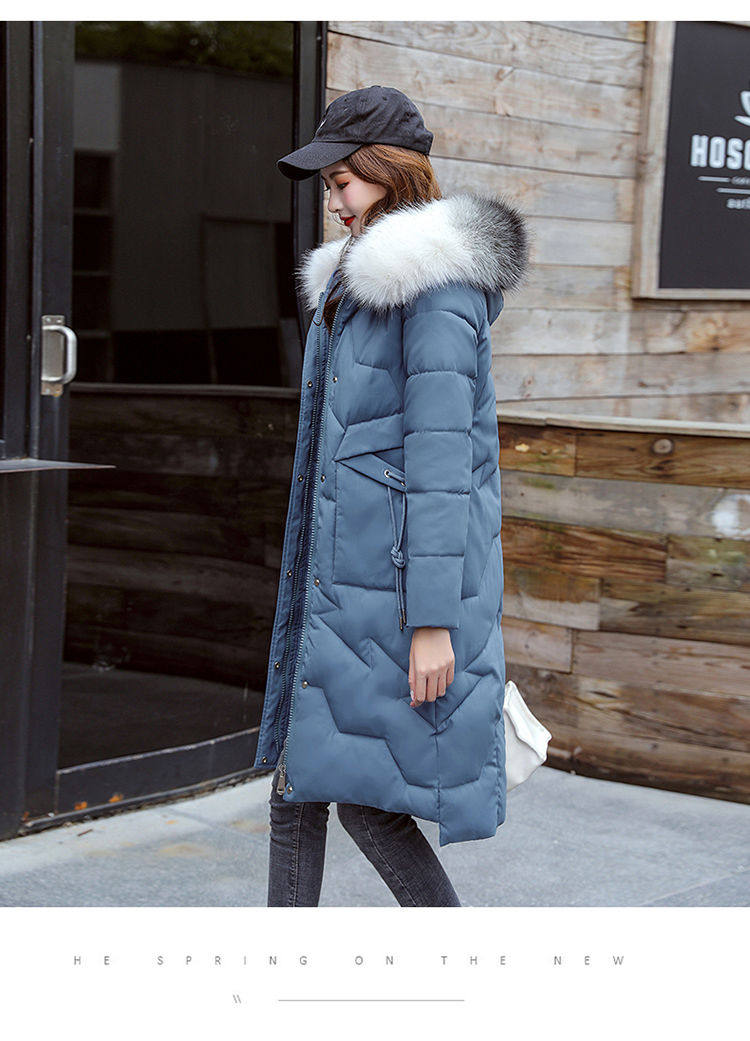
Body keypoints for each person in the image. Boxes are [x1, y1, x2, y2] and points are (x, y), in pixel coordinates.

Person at [253, 85, 529, 906]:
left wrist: (433, 624)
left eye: (342, 181)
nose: (334, 201)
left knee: (362, 806)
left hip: (397, 597)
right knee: (299, 789)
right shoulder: (357, 284)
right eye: (330, 185)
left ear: (388, 172)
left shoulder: (435, 288)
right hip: (349, 586)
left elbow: (445, 465)